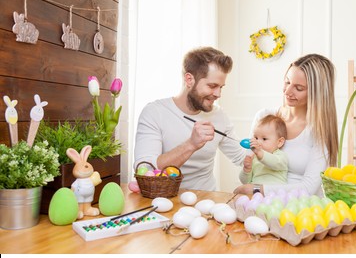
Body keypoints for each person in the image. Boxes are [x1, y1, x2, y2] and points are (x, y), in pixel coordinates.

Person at [134, 47, 247, 191]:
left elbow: (241, 157)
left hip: (207, 201)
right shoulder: (155, 113)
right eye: (212, 86)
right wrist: (191, 145)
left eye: (221, 87)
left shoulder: (219, 116)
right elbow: (145, 169)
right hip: (163, 199)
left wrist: (267, 146)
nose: (218, 94)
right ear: (189, 79)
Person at [234, 53, 338, 197]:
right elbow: (250, 168)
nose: (287, 92)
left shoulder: (319, 131)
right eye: (287, 82)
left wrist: (258, 189)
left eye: (299, 88)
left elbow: (308, 188)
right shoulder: (263, 117)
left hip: (302, 209)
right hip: (264, 204)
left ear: (316, 93)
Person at [238, 114, 288, 186]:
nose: (258, 142)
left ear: (279, 142)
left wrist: (259, 152)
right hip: (255, 192)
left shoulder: (280, 156)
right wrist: (246, 170)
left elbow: (274, 162)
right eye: (256, 137)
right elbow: (245, 182)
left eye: (264, 139)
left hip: (275, 193)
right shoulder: (254, 158)